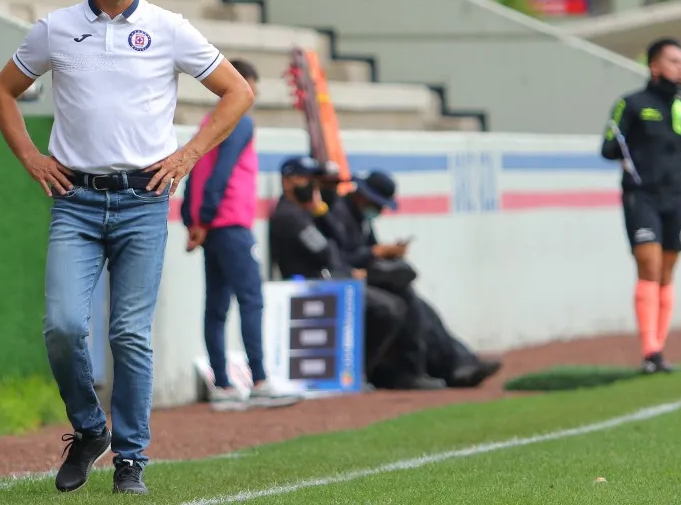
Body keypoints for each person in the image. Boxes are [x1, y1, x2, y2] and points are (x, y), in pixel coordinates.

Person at [0, 0, 254, 496]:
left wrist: (187, 157)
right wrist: (32, 158)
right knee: (61, 326)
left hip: (143, 202)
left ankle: (131, 458)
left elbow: (239, 92)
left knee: (130, 335)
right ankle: (89, 430)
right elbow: (0, 92)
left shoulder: (169, 27)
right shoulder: (55, 30)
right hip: (75, 202)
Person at [181, 58, 302, 411]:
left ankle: (222, 384)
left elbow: (194, 173)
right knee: (251, 299)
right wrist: (204, 217)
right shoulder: (240, 121)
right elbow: (221, 173)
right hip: (231, 223)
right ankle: (260, 380)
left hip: (211, 228)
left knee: (216, 306)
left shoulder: (207, 123)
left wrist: (195, 221)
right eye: (250, 85)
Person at [267, 156, 443, 390]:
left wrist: (319, 212)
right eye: (306, 179)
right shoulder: (289, 216)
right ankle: (360, 372)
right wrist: (351, 271)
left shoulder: (306, 212)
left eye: (315, 181)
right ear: (287, 181)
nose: (314, 186)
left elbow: (334, 245)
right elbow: (326, 253)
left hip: (331, 278)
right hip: (311, 284)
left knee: (401, 296)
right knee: (388, 308)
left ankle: (396, 370)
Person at [326, 170, 502, 389]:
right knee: (403, 305)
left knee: (423, 311)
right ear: (362, 195)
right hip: (347, 281)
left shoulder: (361, 219)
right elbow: (340, 258)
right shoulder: (339, 215)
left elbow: (369, 252)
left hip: (366, 278)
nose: (379, 210)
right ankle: (411, 371)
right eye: (377, 204)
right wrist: (376, 253)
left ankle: (459, 363)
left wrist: (386, 254)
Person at [601, 37, 681, 374]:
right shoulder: (631, 104)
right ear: (655, 66)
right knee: (648, 265)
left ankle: (658, 350)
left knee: (665, 271)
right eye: (674, 61)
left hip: (675, 197)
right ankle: (649, 350)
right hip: (641, 195)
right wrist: (628, 159)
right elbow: (608, 146)